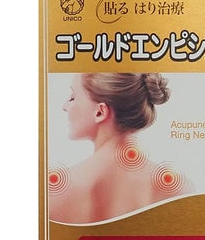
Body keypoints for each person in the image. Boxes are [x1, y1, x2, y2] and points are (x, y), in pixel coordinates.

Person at [49, 73, 194, 223]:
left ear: (100, 112)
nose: (64, 107)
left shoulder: (55, 191)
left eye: (73, 97)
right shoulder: (181, 189)